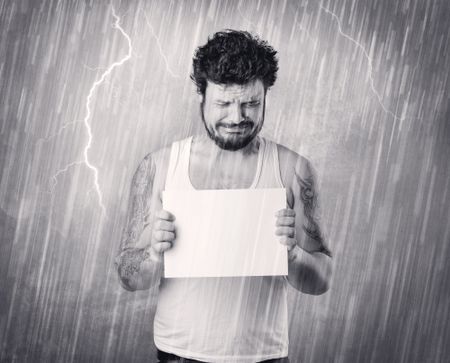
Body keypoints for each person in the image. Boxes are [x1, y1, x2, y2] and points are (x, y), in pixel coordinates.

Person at [115, 30, 332, 363]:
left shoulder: (293, 170)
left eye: (250, 103)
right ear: (201, 96)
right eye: (223, 103)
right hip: (178, 355)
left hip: (265, 357)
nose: (237, 117)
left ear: (265, 98)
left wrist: (291, 255)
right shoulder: (158, 166)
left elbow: (321, 282)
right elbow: (128, 276)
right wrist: (155, 256)